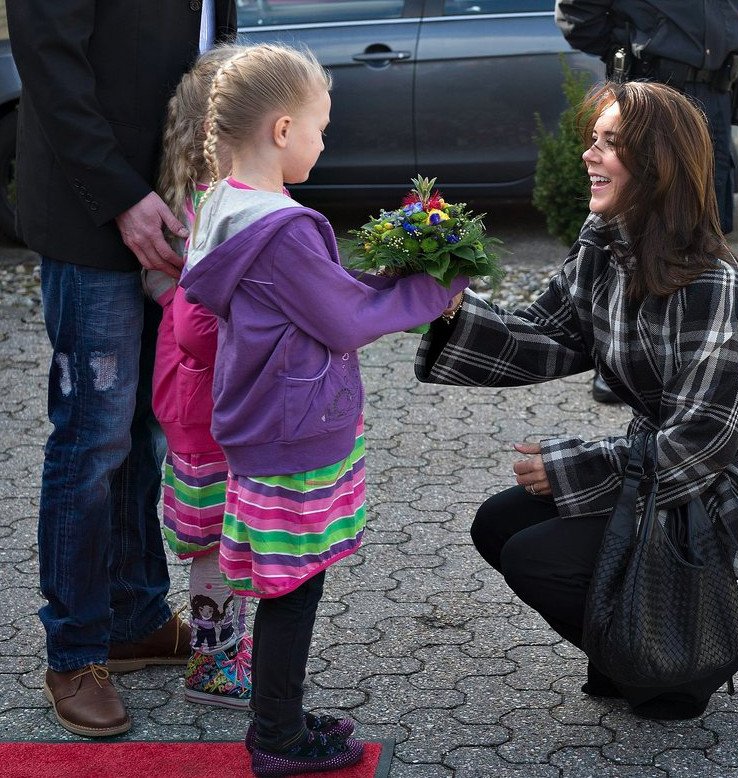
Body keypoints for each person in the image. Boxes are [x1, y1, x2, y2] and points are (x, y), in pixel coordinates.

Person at [415, 80, 738, 720]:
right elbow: (550, 335)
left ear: (657, 164)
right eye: (594, 139)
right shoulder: (605, 239)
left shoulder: (711, 280)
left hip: (715, 478)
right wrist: (449, 308)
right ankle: (634, 652)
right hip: (658, 460)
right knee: (497, 524)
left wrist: (572, 467)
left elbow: (702, 442)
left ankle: (683, 664)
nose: (589, 154)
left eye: (610, 143)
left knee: (535, 556)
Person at [179, 44, 468, 775]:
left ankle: (278, 715)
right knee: (294, 588)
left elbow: (309, 295)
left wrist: (386, 276)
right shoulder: (285, 227)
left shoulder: (222, 205)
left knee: (287, 583)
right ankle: (277, 736)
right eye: (320, 127)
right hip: (294, 432)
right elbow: (342, 319)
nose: (323, 141)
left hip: (259, 425)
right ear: (282, 130)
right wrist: (433, 289)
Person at [6, 0, 237, 738]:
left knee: (150, 425)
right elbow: (51, 65)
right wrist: (122, 197)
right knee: (94, 435)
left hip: (181, 207)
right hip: (94, 214)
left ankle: (134, 620)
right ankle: (75, 653)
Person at [555, 0, 738, 404]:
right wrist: (637, 48)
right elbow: (577, 13)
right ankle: (621, 361)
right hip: (652, 94)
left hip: (713, 97)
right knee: (636, 228)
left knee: (700, 230)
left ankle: (701, 354)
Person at [148, 44, 252, 710]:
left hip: (201, 388)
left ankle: (224, 652)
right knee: (217, 530)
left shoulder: (197, 196)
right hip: (206, 391)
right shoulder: (214, 206)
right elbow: (180, 298)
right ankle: (214, 664)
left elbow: (161, 284)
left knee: (223, 525)